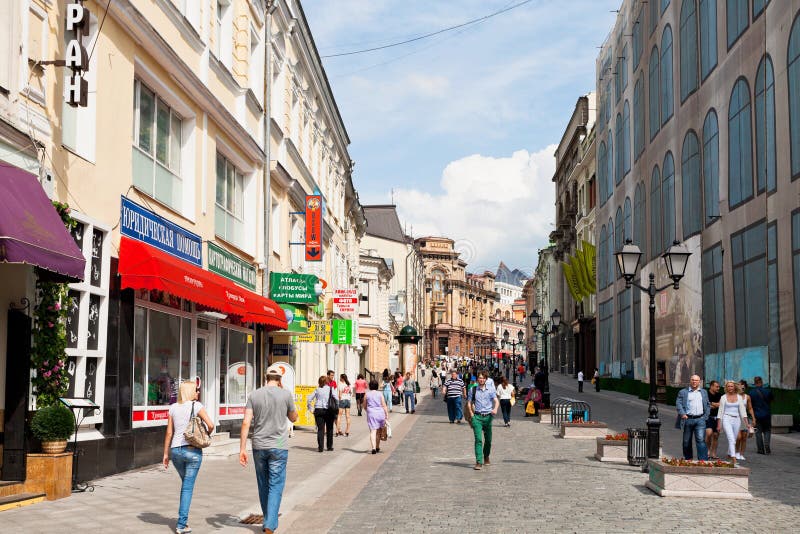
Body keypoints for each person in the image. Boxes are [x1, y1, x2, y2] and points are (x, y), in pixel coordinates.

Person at [239, 364, 298, 534]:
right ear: (279, 380)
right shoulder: (286, 394)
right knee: (276, 484)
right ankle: (270, 524)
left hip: (258, 445)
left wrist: (242, 449)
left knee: (263, 484)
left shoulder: (254, 395)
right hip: (279, 446)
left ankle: (268, 520)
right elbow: (294, 418)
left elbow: (246, 422)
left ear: (266, 378)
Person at [163, 380, 215, 534]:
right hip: (192, 451)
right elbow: (211, 425)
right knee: (187, 487)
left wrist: (166, 454)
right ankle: (181, 525)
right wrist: (205, 435)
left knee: (186, 485)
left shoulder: (173, 408)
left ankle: (183, 522)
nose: (198, 393)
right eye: (196, 390)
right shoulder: (196, 406)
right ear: (191, 392)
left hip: (176, 452)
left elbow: (169, 433)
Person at [468, 371, 499, 470]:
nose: (481, 379)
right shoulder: (473, 390)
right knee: (478, 439)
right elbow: (469, 403)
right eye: (480, 378)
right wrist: (472, 415)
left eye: (483, 378)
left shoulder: (490, 390)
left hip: (488, 417)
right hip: (477, 417)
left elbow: (496, 401)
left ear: (486, 379)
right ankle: (478, 461)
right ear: (478, 379)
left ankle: (486, 456)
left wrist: (495, 409)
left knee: (488, 440)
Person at [675, 374, 710, 460]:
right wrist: (682, 413)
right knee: (686, 442)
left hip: (700, 420)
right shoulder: (683, 392)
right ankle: (688, 459)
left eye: (696, 380)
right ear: (690, 381)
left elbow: (708, 405)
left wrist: (705, 417)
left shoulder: (704, 392)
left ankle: (703, 460)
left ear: (699, 382)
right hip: (688, 419)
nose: (694, 382)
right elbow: (678, 403)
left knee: (700, 440)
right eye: (692, 380)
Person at [716, 380, 750, 465]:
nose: (730, 388)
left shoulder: (739, 397)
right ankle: (733, 458)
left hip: (737, 419)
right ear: (726, 388)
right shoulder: (723, 397)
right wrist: (719, 425)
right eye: (728, 386)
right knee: (731, 438)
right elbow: (720, 412)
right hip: (726, 418)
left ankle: (729, 453)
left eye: (731, 386)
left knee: (734, 439)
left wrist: (747, 423)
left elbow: (743, 411)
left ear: (734, 387)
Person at [307, 375, 338, 452]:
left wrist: (311, 408)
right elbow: (337, 399)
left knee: (320, 429)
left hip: (318, 410)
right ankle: (329, 446)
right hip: (329, 410)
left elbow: (309, 399)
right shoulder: (331, 389)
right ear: (326, 381)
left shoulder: (317, 389)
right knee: (330, 428)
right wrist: (336, 407)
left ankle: (320, 447)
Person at [749, 376, 773, 454]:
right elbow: (771, 400)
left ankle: (760, 449)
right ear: (761, 382)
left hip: (757, 415)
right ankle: (767, 444)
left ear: (755, 383)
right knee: (767, 430)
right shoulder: (768, 391)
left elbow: (750, 405)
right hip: (766, 414)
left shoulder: (751, 393)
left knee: (758, 432)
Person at [365, 380, 389, 454]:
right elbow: (384, 405)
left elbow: (364, 405)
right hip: (380, 414)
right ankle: (377, 446)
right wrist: (386, 414)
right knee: (378, 432)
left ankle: (373, 448)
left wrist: (368, 410)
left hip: (371, 414)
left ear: (370, 386)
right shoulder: (380, 394)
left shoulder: (367, 394)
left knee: (373, 431)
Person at [735, 380, 756, 461]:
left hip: (744, 418)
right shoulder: (734, 396)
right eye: (740, 385)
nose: (742, 387)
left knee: (744, 437)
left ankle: (741, 454)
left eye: (743, 386)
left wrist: (753, 418)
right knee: (738, 437)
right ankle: (736, 452)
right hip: (736, 418)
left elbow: (750, 408)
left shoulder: (747, 397)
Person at [704, 381, 722, 459]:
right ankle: (707, 450)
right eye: (716, 386)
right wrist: (715, 404)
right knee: (709, 433)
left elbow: (721, 405)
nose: (718, 388)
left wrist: (711, 404)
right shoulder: (706, 394)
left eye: (718, 387)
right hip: (708, 416)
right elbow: (706, 404)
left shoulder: (720, 395)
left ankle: (713, 453)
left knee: (716, 435)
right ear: (711, 386)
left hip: (717, 417)